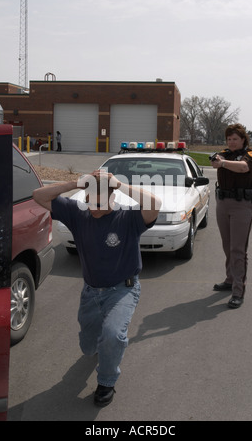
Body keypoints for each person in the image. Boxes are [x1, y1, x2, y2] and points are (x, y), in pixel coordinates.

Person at [33, 169, 161, 406]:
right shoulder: (77, 214)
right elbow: (38, 195)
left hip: (123, 290)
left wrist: (118, 184)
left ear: (113, 198)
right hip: (91, 292)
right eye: (90, 199)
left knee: (112, 335)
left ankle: (106, 382)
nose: (95, 206)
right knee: (89, 345)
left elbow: (155, 203)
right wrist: (75, 182)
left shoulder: (129, 218)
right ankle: (102, 349)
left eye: (101, 200)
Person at [210, 123, 252, 309]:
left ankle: (238, 291)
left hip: (242, 205)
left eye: (235, 139)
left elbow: (243, 168)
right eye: (229, 139)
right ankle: (230, 279)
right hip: (223, 203)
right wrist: (218, 159)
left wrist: (222, 163)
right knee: (227, 246)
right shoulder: (225, 153)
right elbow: (215, 161)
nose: (231, 142)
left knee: (238, 248)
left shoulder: (250, 155)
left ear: (243, 140)